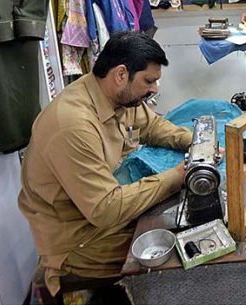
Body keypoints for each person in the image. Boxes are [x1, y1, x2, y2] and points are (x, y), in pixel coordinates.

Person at [18, 31, 193, 296]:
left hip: (97, 213)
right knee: (182, 252)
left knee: (183, 218)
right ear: (121, 74)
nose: (155, 89)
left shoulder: (117, 95)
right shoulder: (72, 124)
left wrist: (195, 140)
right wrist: (175, 177)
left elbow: (153, 126)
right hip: (78, 242)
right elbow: (105, 209)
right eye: (149, 81)